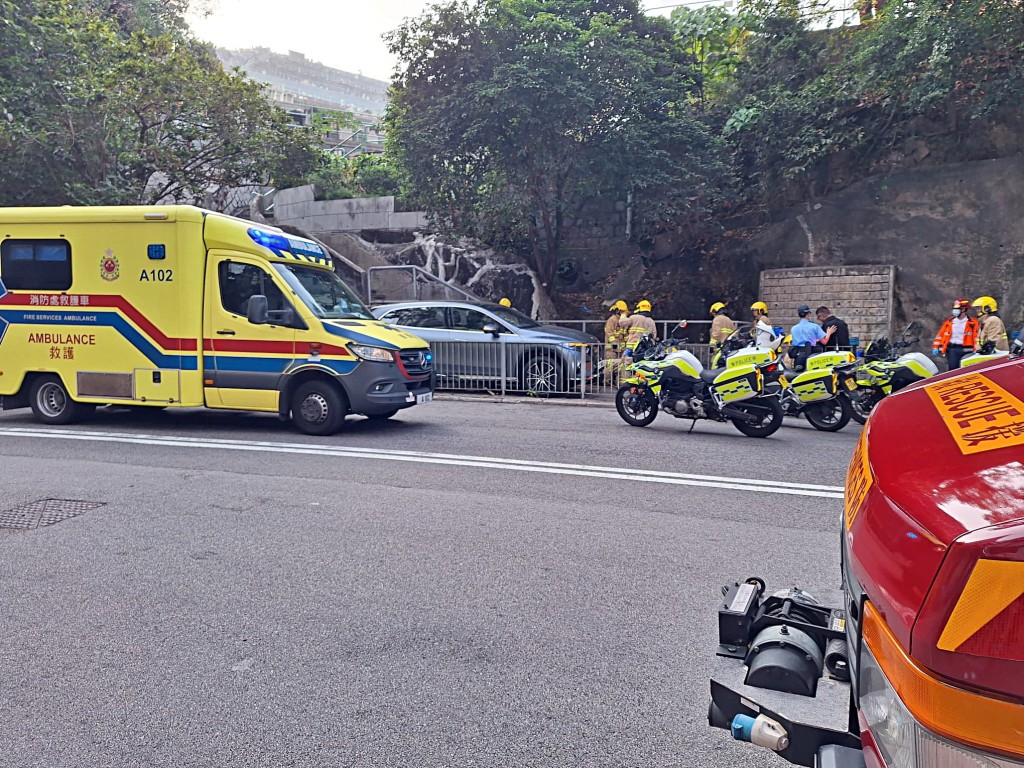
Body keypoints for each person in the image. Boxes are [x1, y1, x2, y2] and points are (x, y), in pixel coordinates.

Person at [932, 299, 979, 369]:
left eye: (957, 309)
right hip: (953, 349)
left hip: (968, 350)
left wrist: (977, 349)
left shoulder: (973, 323)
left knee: (967, 370)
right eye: (954, 309)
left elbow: (976, 337)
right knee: (953, 369)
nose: (955, 311)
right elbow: (940, 335)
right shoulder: (949, 322)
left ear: (963, 309)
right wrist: (936, 347)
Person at [790, 304, 837, 369]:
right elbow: (824, 342)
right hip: (811, 356)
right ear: (808, 314)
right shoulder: (814, 327)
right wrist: (828, 333)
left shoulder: (793, 328)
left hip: (798, 357)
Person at [603, 300, 630, 385]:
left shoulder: (624, 321)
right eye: (621, 311)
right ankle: (606, 381)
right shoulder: (612, 320)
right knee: (610, 365)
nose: (623, 313)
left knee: (620, 366)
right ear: (617, 310)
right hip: (611, 348)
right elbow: (609, 332)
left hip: (621, 348)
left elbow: (625, 334)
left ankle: (616, 381)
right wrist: (613, 343)